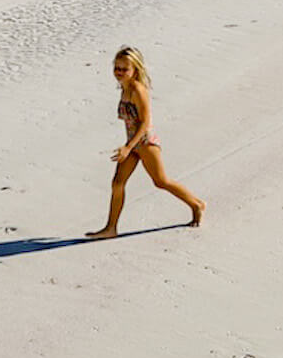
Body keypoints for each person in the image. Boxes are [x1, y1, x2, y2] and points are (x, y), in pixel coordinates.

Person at [87, 46, 204, 238]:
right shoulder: (124, 87)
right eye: (117, 68)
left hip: (145, 143)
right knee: (117, 183)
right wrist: (129, 145)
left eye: (124, 69)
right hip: (133, 143)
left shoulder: (137, 90)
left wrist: (128, 147)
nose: (119, 72)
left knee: (161, 181)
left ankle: (197, 204)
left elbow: (145, 122)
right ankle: (111, 229)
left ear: (135, 69)